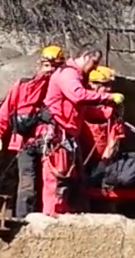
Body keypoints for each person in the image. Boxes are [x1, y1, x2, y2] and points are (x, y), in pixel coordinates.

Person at [42, 47, 121, 215]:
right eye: (94, 63)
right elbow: (78, 95)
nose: (94, 68)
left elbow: (84, 110)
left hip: (68, 135)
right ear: (85, 57)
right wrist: (107, 98)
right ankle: (51, 216)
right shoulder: (68, 74)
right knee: (57, 178)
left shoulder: (77, 76)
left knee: (70, 178)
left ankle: (63, 212)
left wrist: (108, 112)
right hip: (59, 132)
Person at [0, 45, 63, 216]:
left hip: (51, 143)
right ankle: (23, 219)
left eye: (55, 67)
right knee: (27, 185)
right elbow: (5, 111)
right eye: (47, 65)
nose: (50, 70)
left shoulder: (63, 90)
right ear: (39, 65)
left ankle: (49, 219)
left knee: (52, 185)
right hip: (25, 143)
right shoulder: (23, 86)